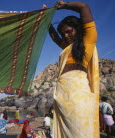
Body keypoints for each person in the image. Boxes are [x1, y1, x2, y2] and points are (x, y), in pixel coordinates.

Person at [49, 1, 99, 137]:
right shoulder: (67, 48)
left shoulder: (88, 41)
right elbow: (54, 37)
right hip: (62, 98)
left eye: (69, 31)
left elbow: (84, 7)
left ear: (78, 28)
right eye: (63, 33)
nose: (66, 36)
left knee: (81, 133)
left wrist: (65, 5)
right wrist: (46, 20)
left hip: (78, 97)